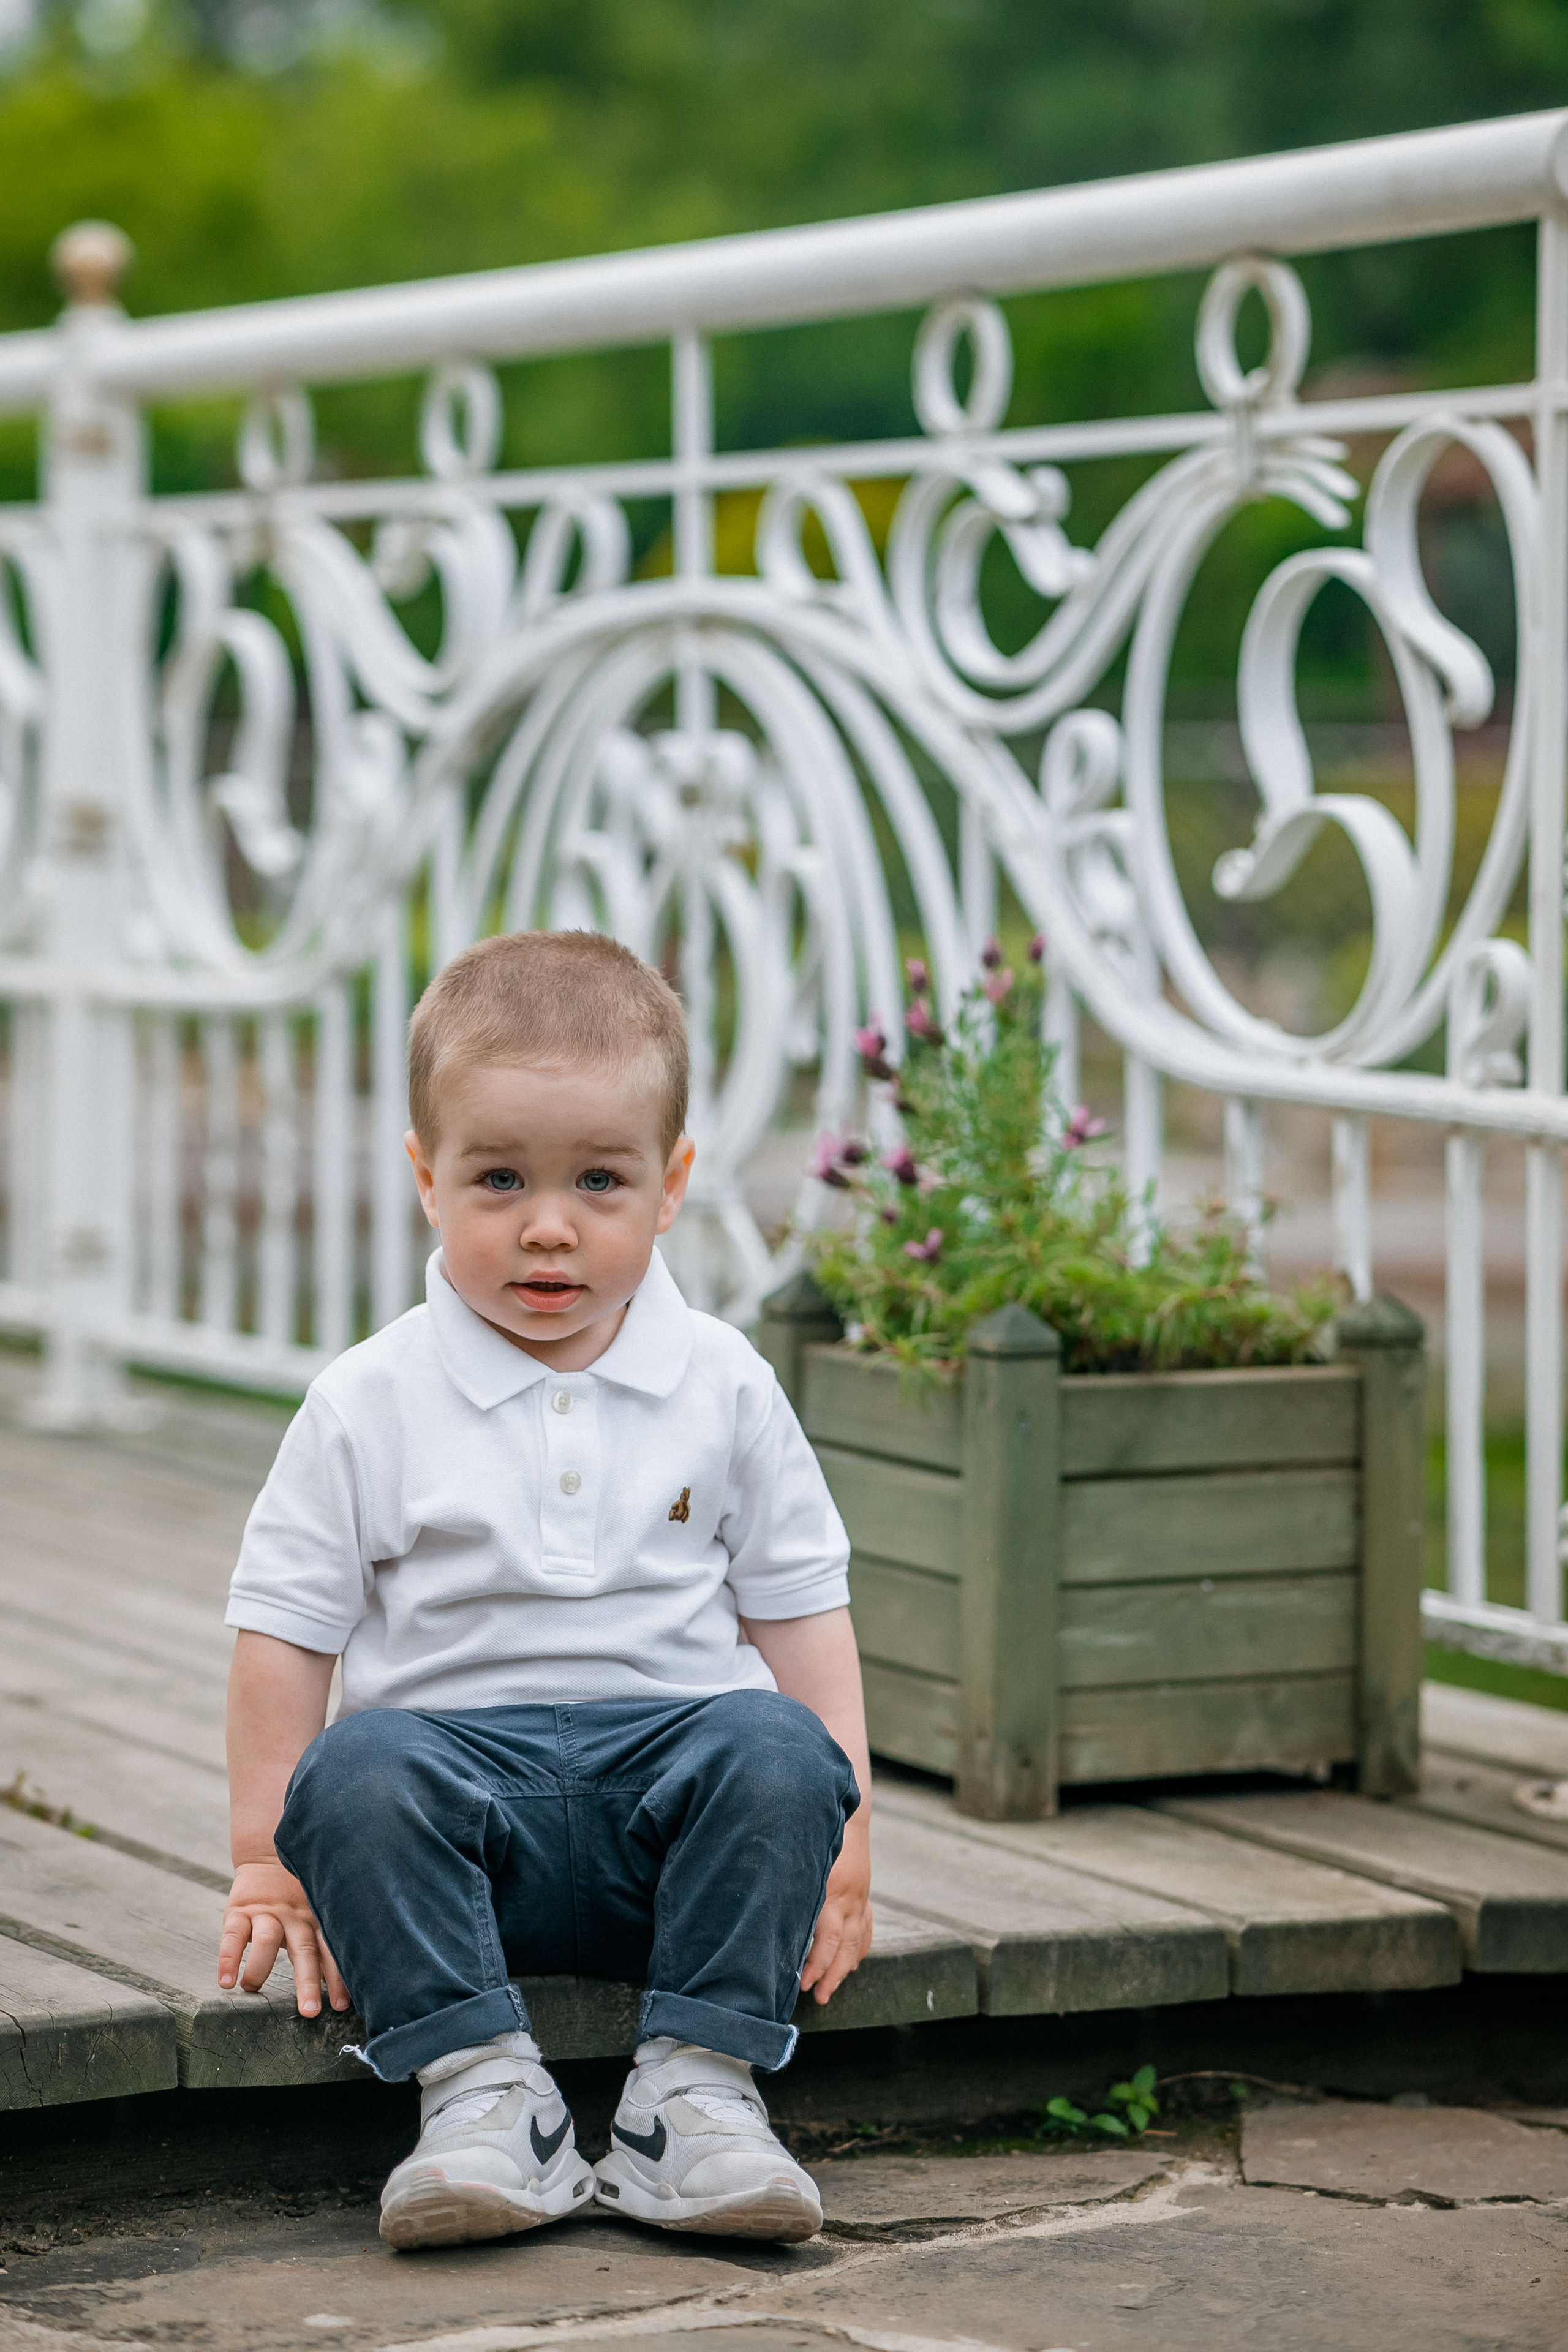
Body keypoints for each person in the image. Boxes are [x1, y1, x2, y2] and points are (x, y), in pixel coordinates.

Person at [217, 929, 872, 2252]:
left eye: (599, 1181)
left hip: (673, 1836)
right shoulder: (369, 1399)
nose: (549, 1225)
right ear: (427, 1178)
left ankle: (693, 2098)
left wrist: (846, 1850)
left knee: (777, 1746)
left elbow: (801, 1614)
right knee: (351, 1772)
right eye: (500, 1179)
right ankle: (481, 2098)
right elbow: (284, 1634)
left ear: (671, 1186)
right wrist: (263, 1867)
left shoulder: (725, 1384)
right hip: (455, 1835)